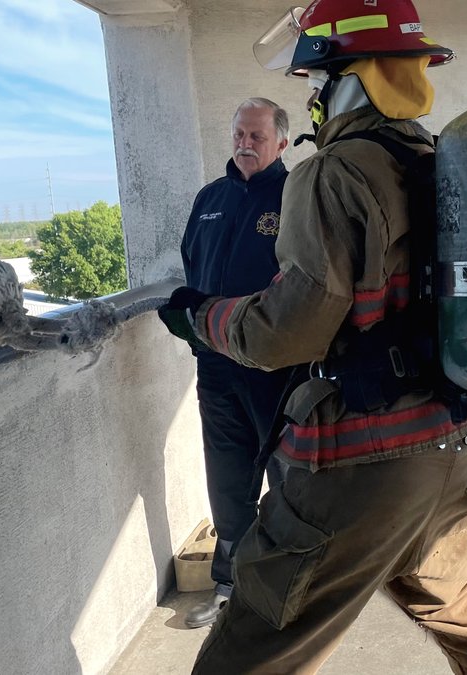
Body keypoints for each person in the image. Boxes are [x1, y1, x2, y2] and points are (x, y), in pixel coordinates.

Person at [158, 0, 467, 672]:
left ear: (346, 80)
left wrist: (201, 317)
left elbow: (289, 329)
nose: (312, 101)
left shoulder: (333, 171)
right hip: (455, 454)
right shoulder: (435, 160)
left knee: (248, 648)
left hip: (363, 469)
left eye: (314, 84)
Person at [168, 97, 293, 629]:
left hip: (276, 367)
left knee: (289, 479)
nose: (244, 143)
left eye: (257, 136)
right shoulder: (209, 198)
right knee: (227, 476)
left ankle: (293, 588)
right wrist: (185, 315)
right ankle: (233, 588)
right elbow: (193, 265)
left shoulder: (294, 197)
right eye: (239, 134)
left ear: (282, 143)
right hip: (216, 363)